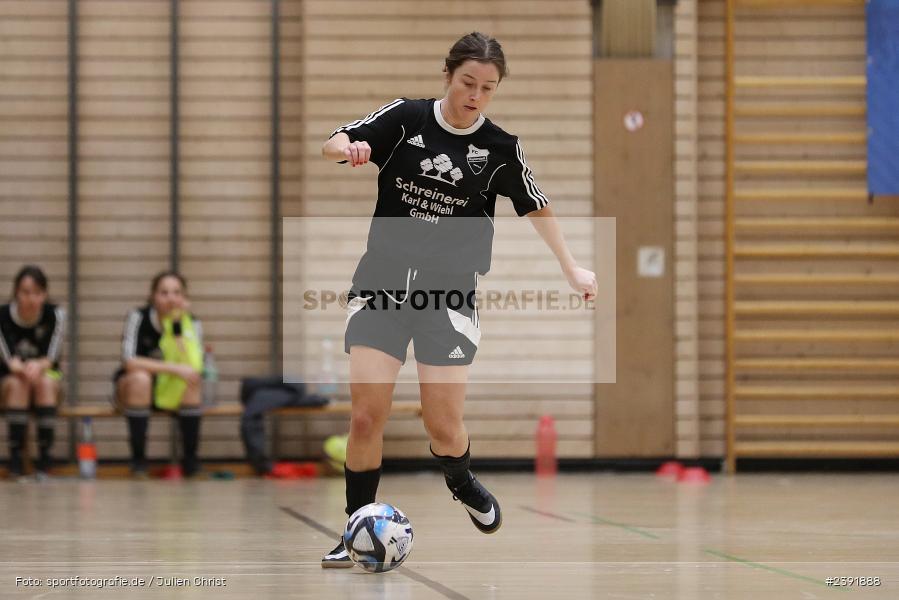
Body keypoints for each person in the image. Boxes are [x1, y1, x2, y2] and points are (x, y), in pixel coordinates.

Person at [318, 32, 597, 567]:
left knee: (442, 426)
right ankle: (355, 529)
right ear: (448, 74)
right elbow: (334, 141)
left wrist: (571, 266)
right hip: (380, 285)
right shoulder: (407, 118)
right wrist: (347, 148)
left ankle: (460, 479)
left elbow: (536, 205)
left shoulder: (499, 148)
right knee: (365, 417)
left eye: (488, 88)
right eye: (468, 82)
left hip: (448, 297)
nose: (475, 95)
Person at [114, 271, 205, 478]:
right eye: (164, 293)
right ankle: (138, 461)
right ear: (153, 296)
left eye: (176, 293)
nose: (171, 298)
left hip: (170, 389)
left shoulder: (192, 323)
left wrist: (178, 326)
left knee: (192, 381)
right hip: (133, 389)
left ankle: (190, 461)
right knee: (141, 379)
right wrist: (174, 368)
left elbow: (193, 366)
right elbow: (129, 361)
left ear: (184, 297)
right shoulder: (138, 317)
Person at [0, 265, 65, 480]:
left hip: (45, 378)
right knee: (18, 383)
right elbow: (8, 359)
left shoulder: (55, 315)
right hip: (8, 382)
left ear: (44, 294)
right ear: (16, 293)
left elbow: (51, 357)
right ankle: (16, 459)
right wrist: (20, 368)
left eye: (37, 293)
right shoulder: (2, 316)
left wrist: (38, 365)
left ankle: (45, 460)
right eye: (25, 292)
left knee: (44, 383)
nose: (31, 298)